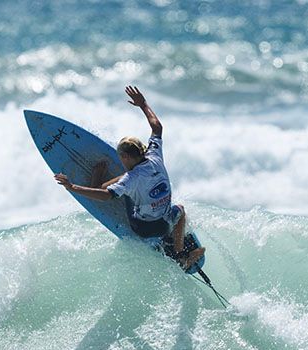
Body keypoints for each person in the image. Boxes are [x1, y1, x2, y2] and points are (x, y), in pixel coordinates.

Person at [54, 86, 205, 269]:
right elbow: (157, 127)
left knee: (118, 189)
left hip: (143, 228)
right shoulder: (155, 155)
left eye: (121, 158)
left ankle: (96, 180)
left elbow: (106, 196)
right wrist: (143, 104)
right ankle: (181, 252)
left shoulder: (130, 179)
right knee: (179, 210)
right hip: (164, 225)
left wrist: (73, 187)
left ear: (126, 157)